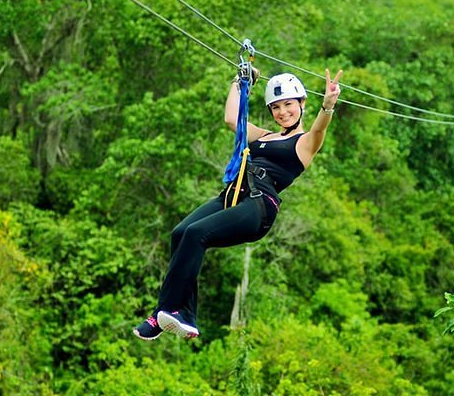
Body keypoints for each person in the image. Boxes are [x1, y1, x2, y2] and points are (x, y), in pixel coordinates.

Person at [133, 68, 342, 340]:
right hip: (232, 195)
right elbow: (232, 119)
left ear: (302, 104)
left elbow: (319, 128)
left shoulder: (303, 144)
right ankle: (177, 314)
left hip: (258, 205)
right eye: (276, 107)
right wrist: (241, 81)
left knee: (197, 235)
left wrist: (327, 105)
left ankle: (173, 311)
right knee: (181, 233)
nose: (283, 112)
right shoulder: (264, 136)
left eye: (289, 104)